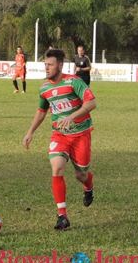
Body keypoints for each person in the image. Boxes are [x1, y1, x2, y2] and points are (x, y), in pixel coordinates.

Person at [23, 49, 96, 230]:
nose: (46, 68)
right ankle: (62, 216)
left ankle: (88, 186)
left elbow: (91, 103)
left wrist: (72, 117)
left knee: (81, 175)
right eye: (45, 65)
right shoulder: (44, 89)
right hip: (59, 135)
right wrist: (30, 132)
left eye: (50, 65)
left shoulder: (74, 82)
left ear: (60, 66)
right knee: (56, 168)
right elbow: (42, 112)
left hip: (80, 135)